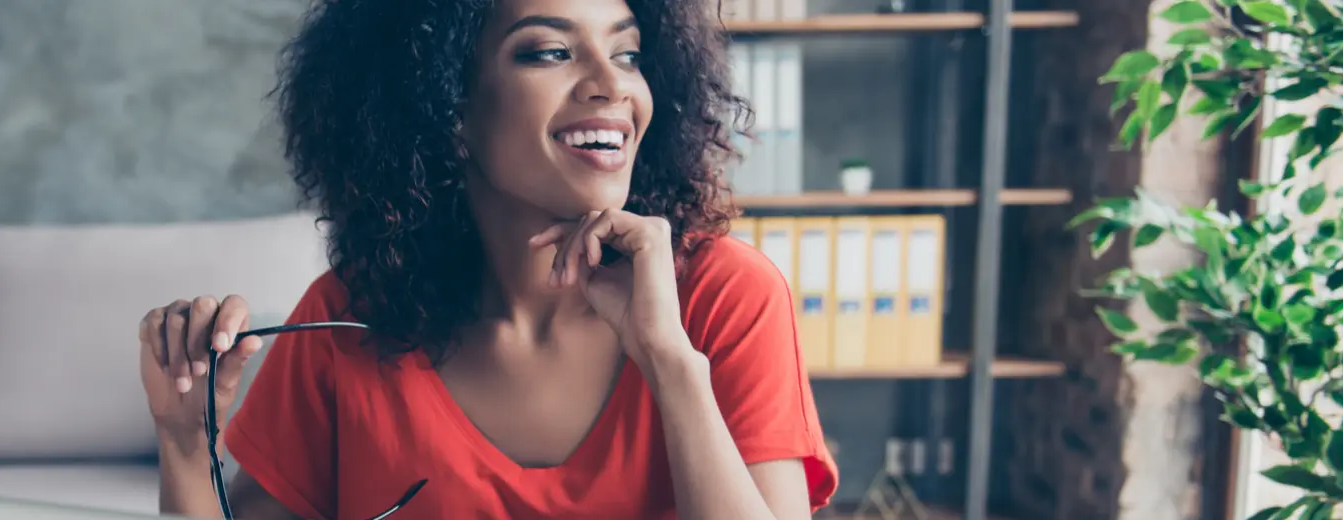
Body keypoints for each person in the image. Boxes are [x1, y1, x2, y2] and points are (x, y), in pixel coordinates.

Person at [136, 0, 838, 518]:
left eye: (627, 54)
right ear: (447, 107)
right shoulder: (351, 315)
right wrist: (183, 436)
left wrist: (668, 359)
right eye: (548, 52)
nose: (612, 85)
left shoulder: (728, 296)